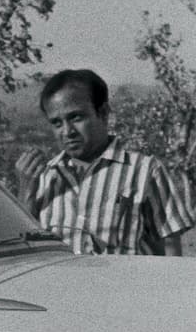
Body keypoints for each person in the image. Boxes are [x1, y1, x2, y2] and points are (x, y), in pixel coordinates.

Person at [16, 68, 194, 255]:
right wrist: (26, 191)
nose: (67, 131)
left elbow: (170, 250)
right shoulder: (43, 177)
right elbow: (24, 249)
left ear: (103, 112)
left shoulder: (144, 171)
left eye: (76, 117)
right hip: (60, 283)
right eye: (57, 123)